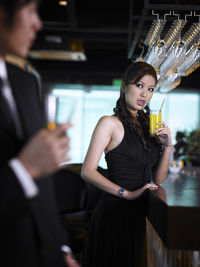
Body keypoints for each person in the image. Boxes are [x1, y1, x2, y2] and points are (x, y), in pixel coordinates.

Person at [0, 1, 80, 266]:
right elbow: (31, 172)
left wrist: (61, 248)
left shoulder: (26, 82)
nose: (38, 23)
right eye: (31, 9)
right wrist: (26, 169)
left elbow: (43, 188)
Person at [81, 61, 172, 267]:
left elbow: (157, 178)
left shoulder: (149, 127)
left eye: (150, 89)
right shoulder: (109, 123)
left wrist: (168, 146)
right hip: (114, 214)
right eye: (139, 86)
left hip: (140, 215)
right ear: (124, 87)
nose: (145, 94)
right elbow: (87, 171)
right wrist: (127, 193)